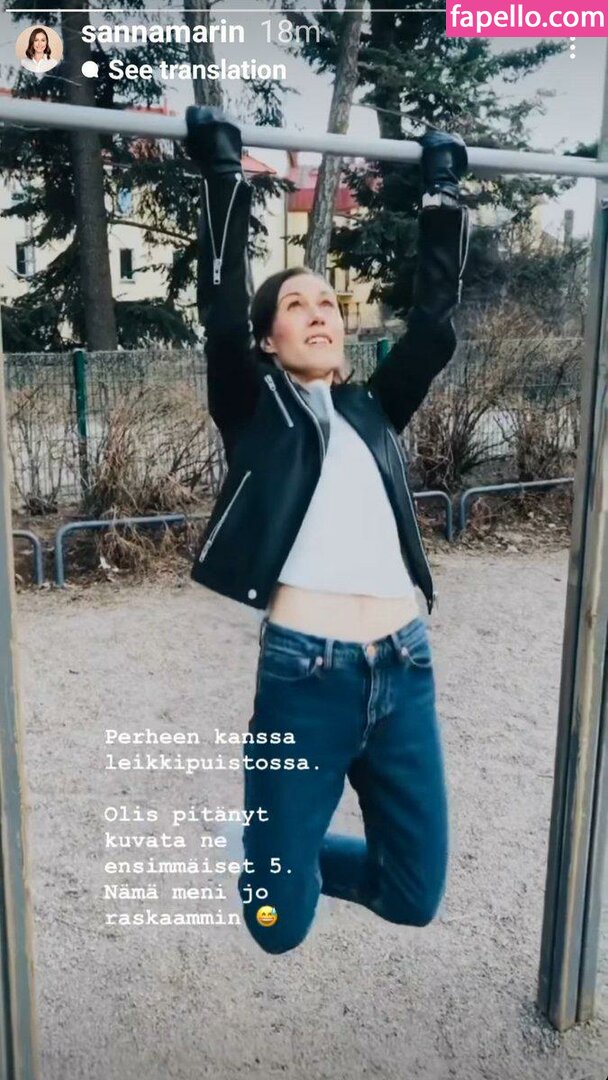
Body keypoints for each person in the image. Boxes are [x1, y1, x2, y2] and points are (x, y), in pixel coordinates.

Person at [185, 107, 469, 954]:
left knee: (413, 896)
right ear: (270, 341)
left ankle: (281, 853)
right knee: (278, 926)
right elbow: (222, 314)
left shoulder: (374, 410)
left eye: (327, 303)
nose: (317, 312)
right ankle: (273, 865)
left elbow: (433, 327)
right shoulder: (255, 409)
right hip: (304, 676)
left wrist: (440, 196)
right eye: (295, 304)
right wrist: (222, 176)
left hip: (405, 665)